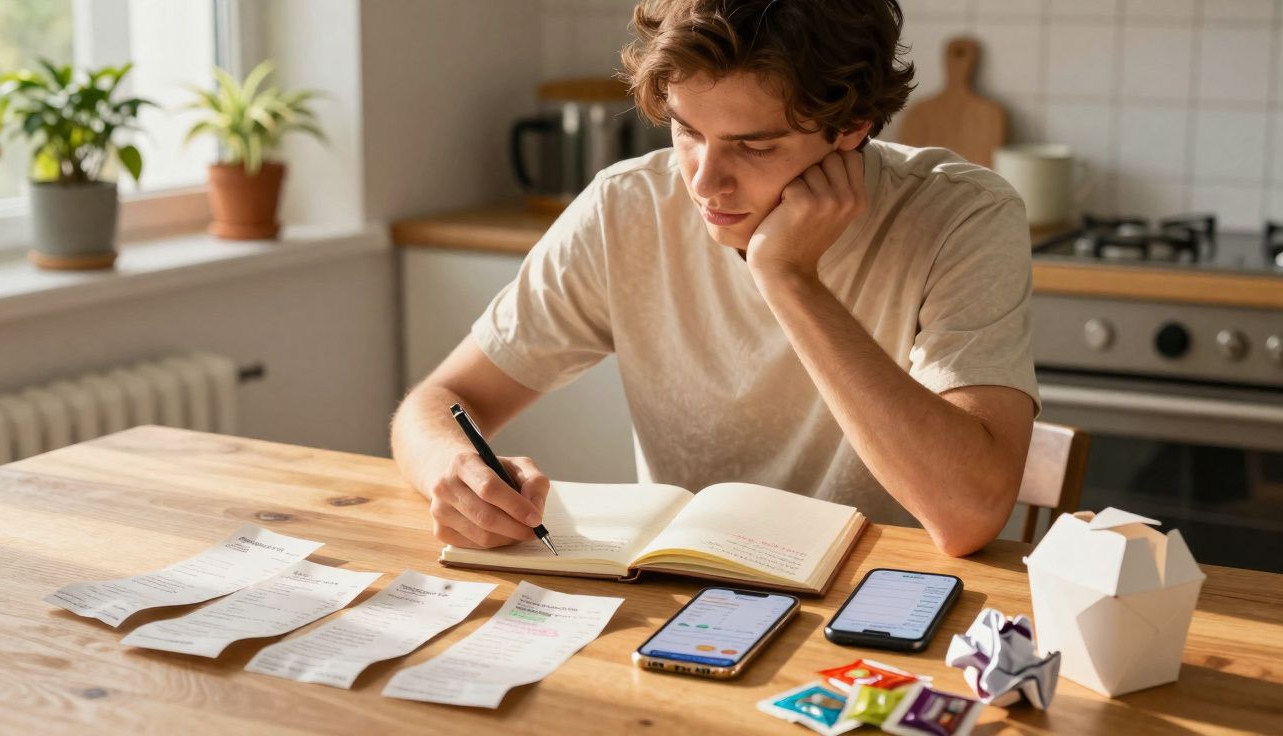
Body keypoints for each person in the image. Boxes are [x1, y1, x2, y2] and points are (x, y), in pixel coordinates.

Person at [390, 0, 1039, 557]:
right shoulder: (626, 207)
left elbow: (968, 516)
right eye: (687, 130)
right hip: (681, 597)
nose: (703, 181)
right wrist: (456, 472)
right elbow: (436, 401)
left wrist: (788, 278)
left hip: (883, 615)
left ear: (851, 128)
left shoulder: (965, 217)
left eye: (753, 145)